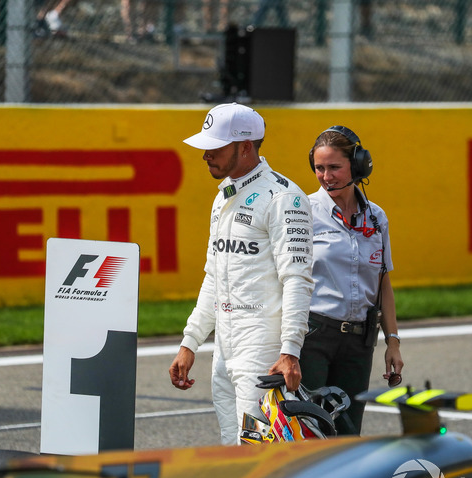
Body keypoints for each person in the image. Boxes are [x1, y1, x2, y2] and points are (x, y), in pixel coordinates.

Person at [169, 102, 314, 445]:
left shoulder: (284, 197)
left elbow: (297, 279)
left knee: (259, 450)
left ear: (245, 146)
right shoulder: (223, 197)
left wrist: (290, 350)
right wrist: (190, 342)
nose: (206, 155)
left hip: (262, 344)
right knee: (231, 445)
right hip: (224, 344)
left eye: (215, 147)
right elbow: (213, 276)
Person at [301, 126, 403, 436]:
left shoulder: (376, 216)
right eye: (319, 168)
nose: (326, 176)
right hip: (313, 336)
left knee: (348, 435)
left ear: (357, 166)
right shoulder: (302, 211)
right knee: (311, 434)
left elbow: (382, 283)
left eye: (334, 167)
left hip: (360, 341)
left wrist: (393, 342)